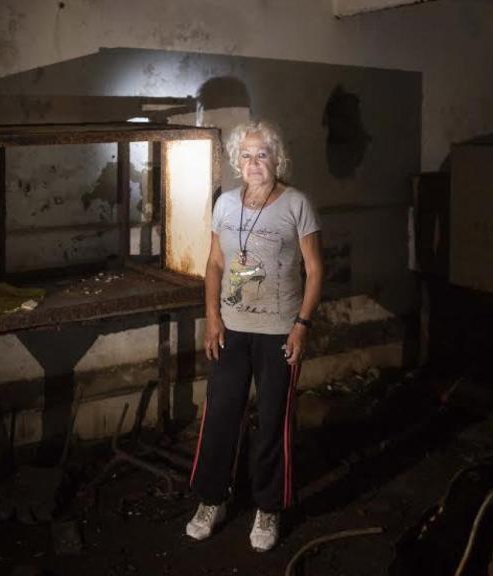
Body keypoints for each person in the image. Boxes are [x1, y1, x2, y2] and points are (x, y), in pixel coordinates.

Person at [185, 119, 323, 551]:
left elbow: (316, 271)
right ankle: (212, 499)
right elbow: (214, 265)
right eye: (245, 155)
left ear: (276, 158)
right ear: (235, 162)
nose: (253, 163)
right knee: (220, 415)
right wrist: (212, 317)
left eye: (261, 154)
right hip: (231, 329)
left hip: (279, 332)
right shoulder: (225, 204)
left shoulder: (296, 204)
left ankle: (267, 507)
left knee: (272, 422)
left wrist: (301, 325)